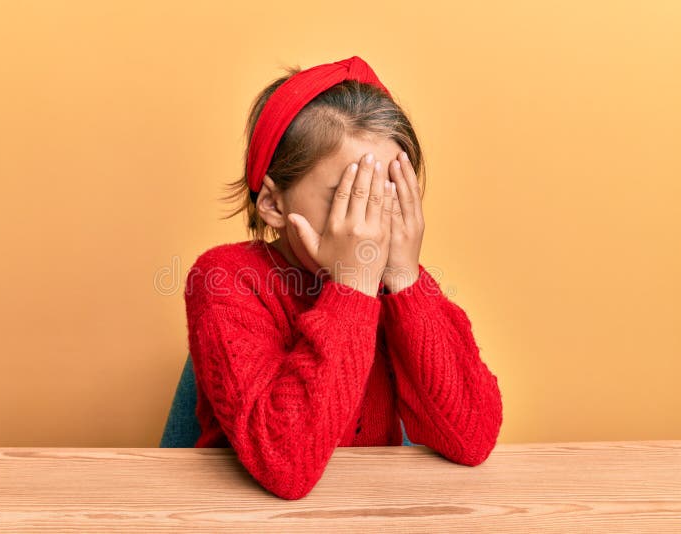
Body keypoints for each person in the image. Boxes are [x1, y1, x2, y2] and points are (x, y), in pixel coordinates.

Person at [183, 55, 503, 500]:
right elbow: (286, 467)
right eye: (351, 195)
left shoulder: (395, 279)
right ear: (274, 204)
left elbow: (472, 438)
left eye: (389, 190)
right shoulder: (223, 278)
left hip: (370, 508)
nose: (372, 220)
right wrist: (352, 287)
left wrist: (406, 280)